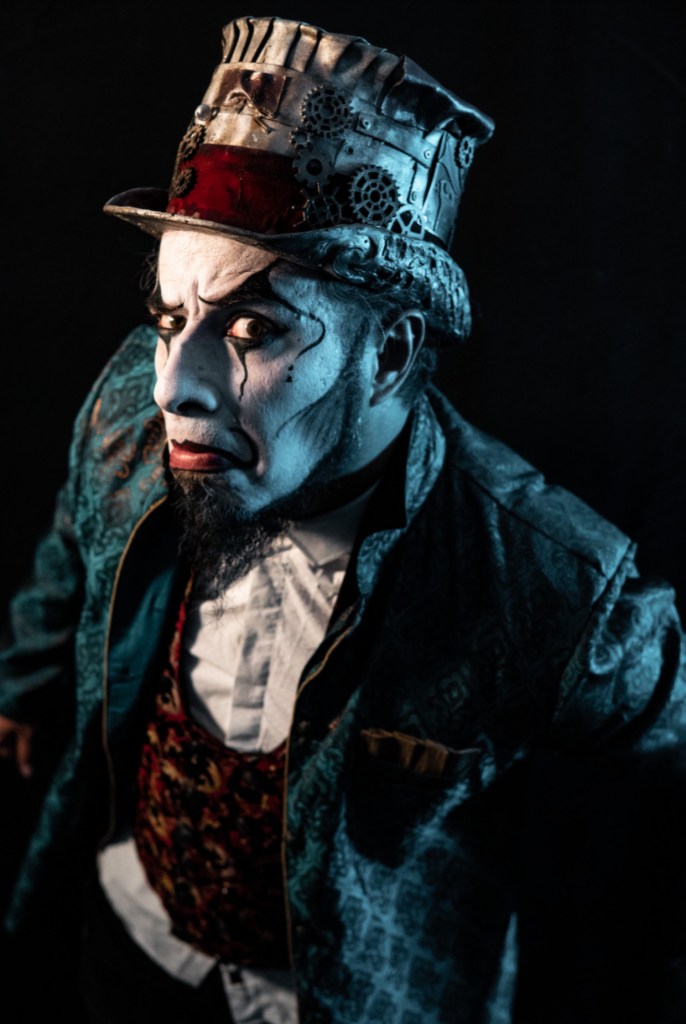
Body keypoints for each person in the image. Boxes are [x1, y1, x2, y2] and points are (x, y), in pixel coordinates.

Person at [1, 13, 685, 1024]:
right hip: (127, 946)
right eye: (171, 319)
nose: (174, 386)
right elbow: (73, 541)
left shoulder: (548, 583)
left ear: (391, 355)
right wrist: (26, 681)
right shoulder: (124, 412)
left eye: (251, 326)